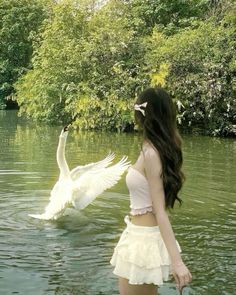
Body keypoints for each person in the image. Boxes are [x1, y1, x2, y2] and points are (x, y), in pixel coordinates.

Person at [110, 87, 192, 295]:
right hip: (138, 236)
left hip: (143, 242)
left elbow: (160, 210)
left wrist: (177, 262)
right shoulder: (153, 148)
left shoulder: (151, 153)